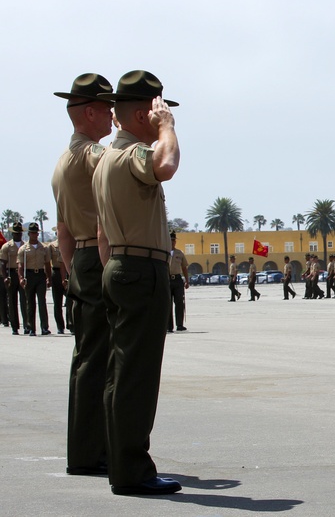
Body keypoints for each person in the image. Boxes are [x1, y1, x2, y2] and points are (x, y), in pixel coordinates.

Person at [91, 69, 181, 495]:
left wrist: (116, 274)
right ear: (146, 114)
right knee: (137, 376)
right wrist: (168, 128)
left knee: (120, 373)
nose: (164, 116)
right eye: (159, 110)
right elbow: (166, 164)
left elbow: (102, 235)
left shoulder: (105, 159)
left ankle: (121, 464)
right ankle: (132, 470)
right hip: (141, 269)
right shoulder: (132, 156)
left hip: (121, 266)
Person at [51, 72, 115, 476]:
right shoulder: (96, 157)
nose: (113, 115)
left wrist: (74, 270)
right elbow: (103, 221)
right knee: (101, 360)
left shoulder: (61, 163)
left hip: (81, 262)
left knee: (86, 357)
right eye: (108, 108)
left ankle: (85, 450)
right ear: (89, 112)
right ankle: (94, 452)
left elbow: (62, 232)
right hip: (100, 258)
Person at [18, 222, 53, 336]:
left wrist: (49, 278)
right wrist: (21, 278)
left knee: (42, 302)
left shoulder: (44, 248)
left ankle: (44, 327)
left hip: (40, 275)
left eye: (36, 233)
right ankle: (31, 327)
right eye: (32, 233)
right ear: (29, 234)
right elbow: (20, 266)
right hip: (29, 275)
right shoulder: (23, 249)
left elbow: (47, 264)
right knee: (30, 302)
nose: (34, 235)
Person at [1, 221, 27, 334]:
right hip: (11, 274)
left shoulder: (25, 246)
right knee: (12, 301)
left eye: (19, 233)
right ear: (13, 234)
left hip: (21, 275)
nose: (18, 234)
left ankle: (27, 325)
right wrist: (5, 277)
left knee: (24, 300)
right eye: (16, 233)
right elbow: (2, 263)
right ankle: (14, 326)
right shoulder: (6, 246)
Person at [167, 232, 188, 331]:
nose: (173, 242)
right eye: (171, 240)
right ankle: (168, 326)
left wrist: (187, 280)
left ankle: (179, 324)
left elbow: (184, 267)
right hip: (167, 279)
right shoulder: (164, 252)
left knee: (179, 302)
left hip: (178, 280)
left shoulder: (179, 253)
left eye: (174, 240)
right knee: (168, 304)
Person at [48, 237, 68, 334]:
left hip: (68, 272)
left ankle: (71, 323)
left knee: (71, 300)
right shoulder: (52, 245)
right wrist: (48, 277)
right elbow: (47, 262)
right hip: (56, 272)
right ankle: (60, 326)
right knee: (57, 302)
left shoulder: (69, 242)